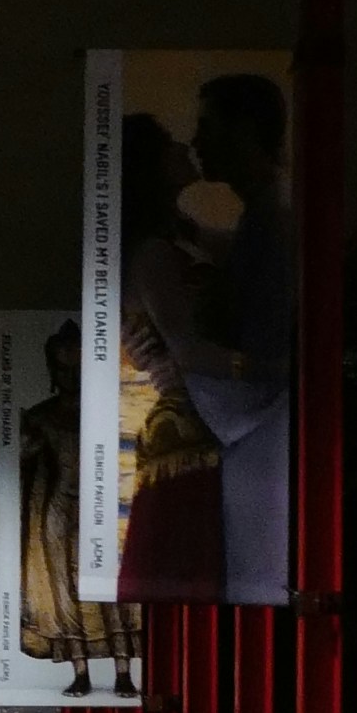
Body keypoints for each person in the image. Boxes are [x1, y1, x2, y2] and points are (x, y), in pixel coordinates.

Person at [186, 71, 294, 606]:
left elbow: (269, 359)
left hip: (269, 444)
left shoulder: (273, 217)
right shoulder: (269, 211)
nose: (195, 142)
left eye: (207, 126)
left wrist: (192, 362)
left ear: (245, 128)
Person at [117, 109, 228, 600]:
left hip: (198, 416)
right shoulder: (153, 253)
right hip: (194, 420)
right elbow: (188, 348)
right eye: (170, 145)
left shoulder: (180, 236)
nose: (185, 148)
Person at [19, 321, 137, 694]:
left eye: (78, 368)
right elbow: (24, 466)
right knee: (66, 591)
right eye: (63, 369)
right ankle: (80, 672)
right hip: (61, 509)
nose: (71, 376)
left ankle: (123, 672)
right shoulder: (40, 416)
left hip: (105, 507)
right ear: (52, 371)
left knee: (114, 589)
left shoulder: (114, 408)